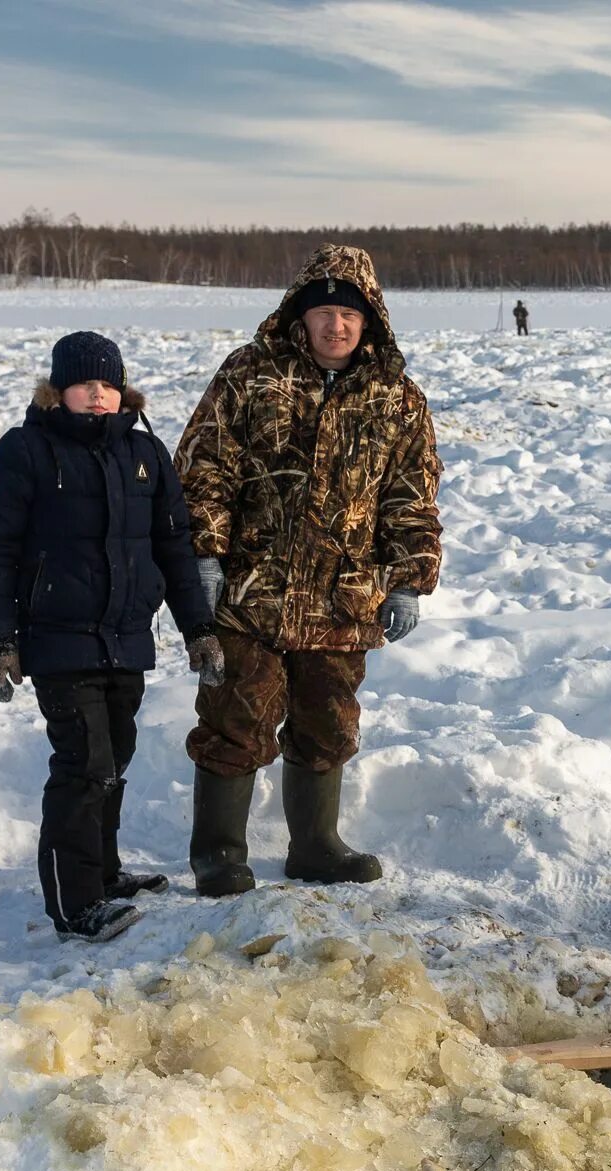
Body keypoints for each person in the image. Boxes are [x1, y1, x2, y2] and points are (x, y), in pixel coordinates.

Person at [177, 244, 442, 897]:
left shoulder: (397, 399)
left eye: (350, 316)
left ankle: (316, 847)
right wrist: (205, 556)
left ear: (370, 321)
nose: (336, 326)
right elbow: (203, 470)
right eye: (324, 313)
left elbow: (410, 496)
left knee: (328, 722)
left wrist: (408, 578)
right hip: (250, 591)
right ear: (301, 315)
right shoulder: (249, 375)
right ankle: (218, 851)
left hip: (344, 597)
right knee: (234, 716)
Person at [0, 332, 224, 942]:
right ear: (59, 390)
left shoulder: (144, 454)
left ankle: (104, 874)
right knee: (84, 765)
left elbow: (174, 549)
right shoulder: (24, 451)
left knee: (115, 759)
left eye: (108, 384)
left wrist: (198, 629)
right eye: (86, 384)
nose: (98, 395)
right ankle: (74, 903)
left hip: (125, 637)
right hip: (59, 639)